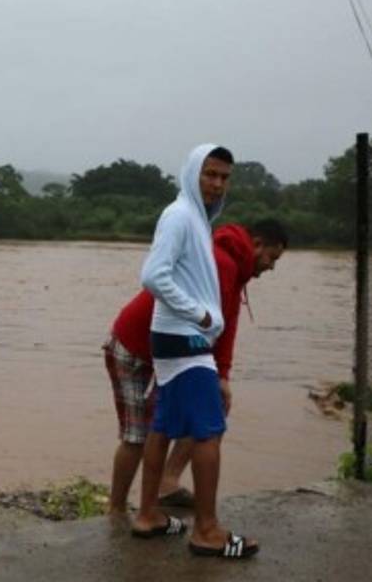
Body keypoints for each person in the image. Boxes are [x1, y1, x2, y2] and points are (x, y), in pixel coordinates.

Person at [104, 218, 289, 514]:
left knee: (208, 407)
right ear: (256, 245)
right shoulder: (219, 263)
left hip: (171, 350)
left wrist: (223, 375)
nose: (271, 267)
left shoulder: (236, 268)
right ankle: (115, 511)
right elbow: (198, 320)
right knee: (138, 435)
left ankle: (166, 484)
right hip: (134, 346)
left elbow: (225, 326)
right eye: (272, 258)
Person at [129, 144, 259, 559]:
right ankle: (207, 530)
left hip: (174, 338)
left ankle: (147, 514)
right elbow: (153, 275)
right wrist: (200, 315)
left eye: (224, 177)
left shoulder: (196, 220)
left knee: (164, 425)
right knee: (209, 429)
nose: (218, 184)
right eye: (210, 174)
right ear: (192, 173)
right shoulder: (181, 216)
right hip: (184, 337)